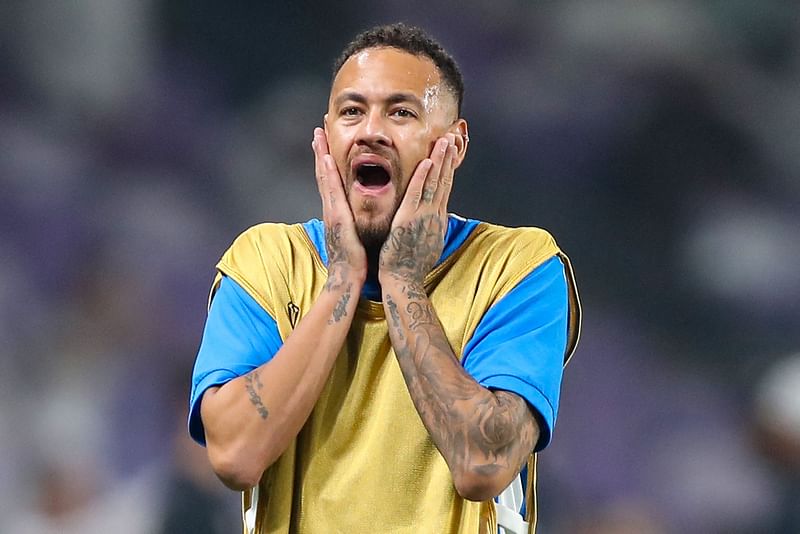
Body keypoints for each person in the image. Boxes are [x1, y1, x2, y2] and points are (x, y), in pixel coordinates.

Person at [189, 22, 580, 534]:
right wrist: (341, 282)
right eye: (352, 112)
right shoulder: (267, 262)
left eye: (401, 112)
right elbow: (235, 455)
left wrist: (402, 282)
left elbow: (483, 463)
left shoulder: (517, 267)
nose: (371, 130)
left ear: (454, 144)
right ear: (325, 139)